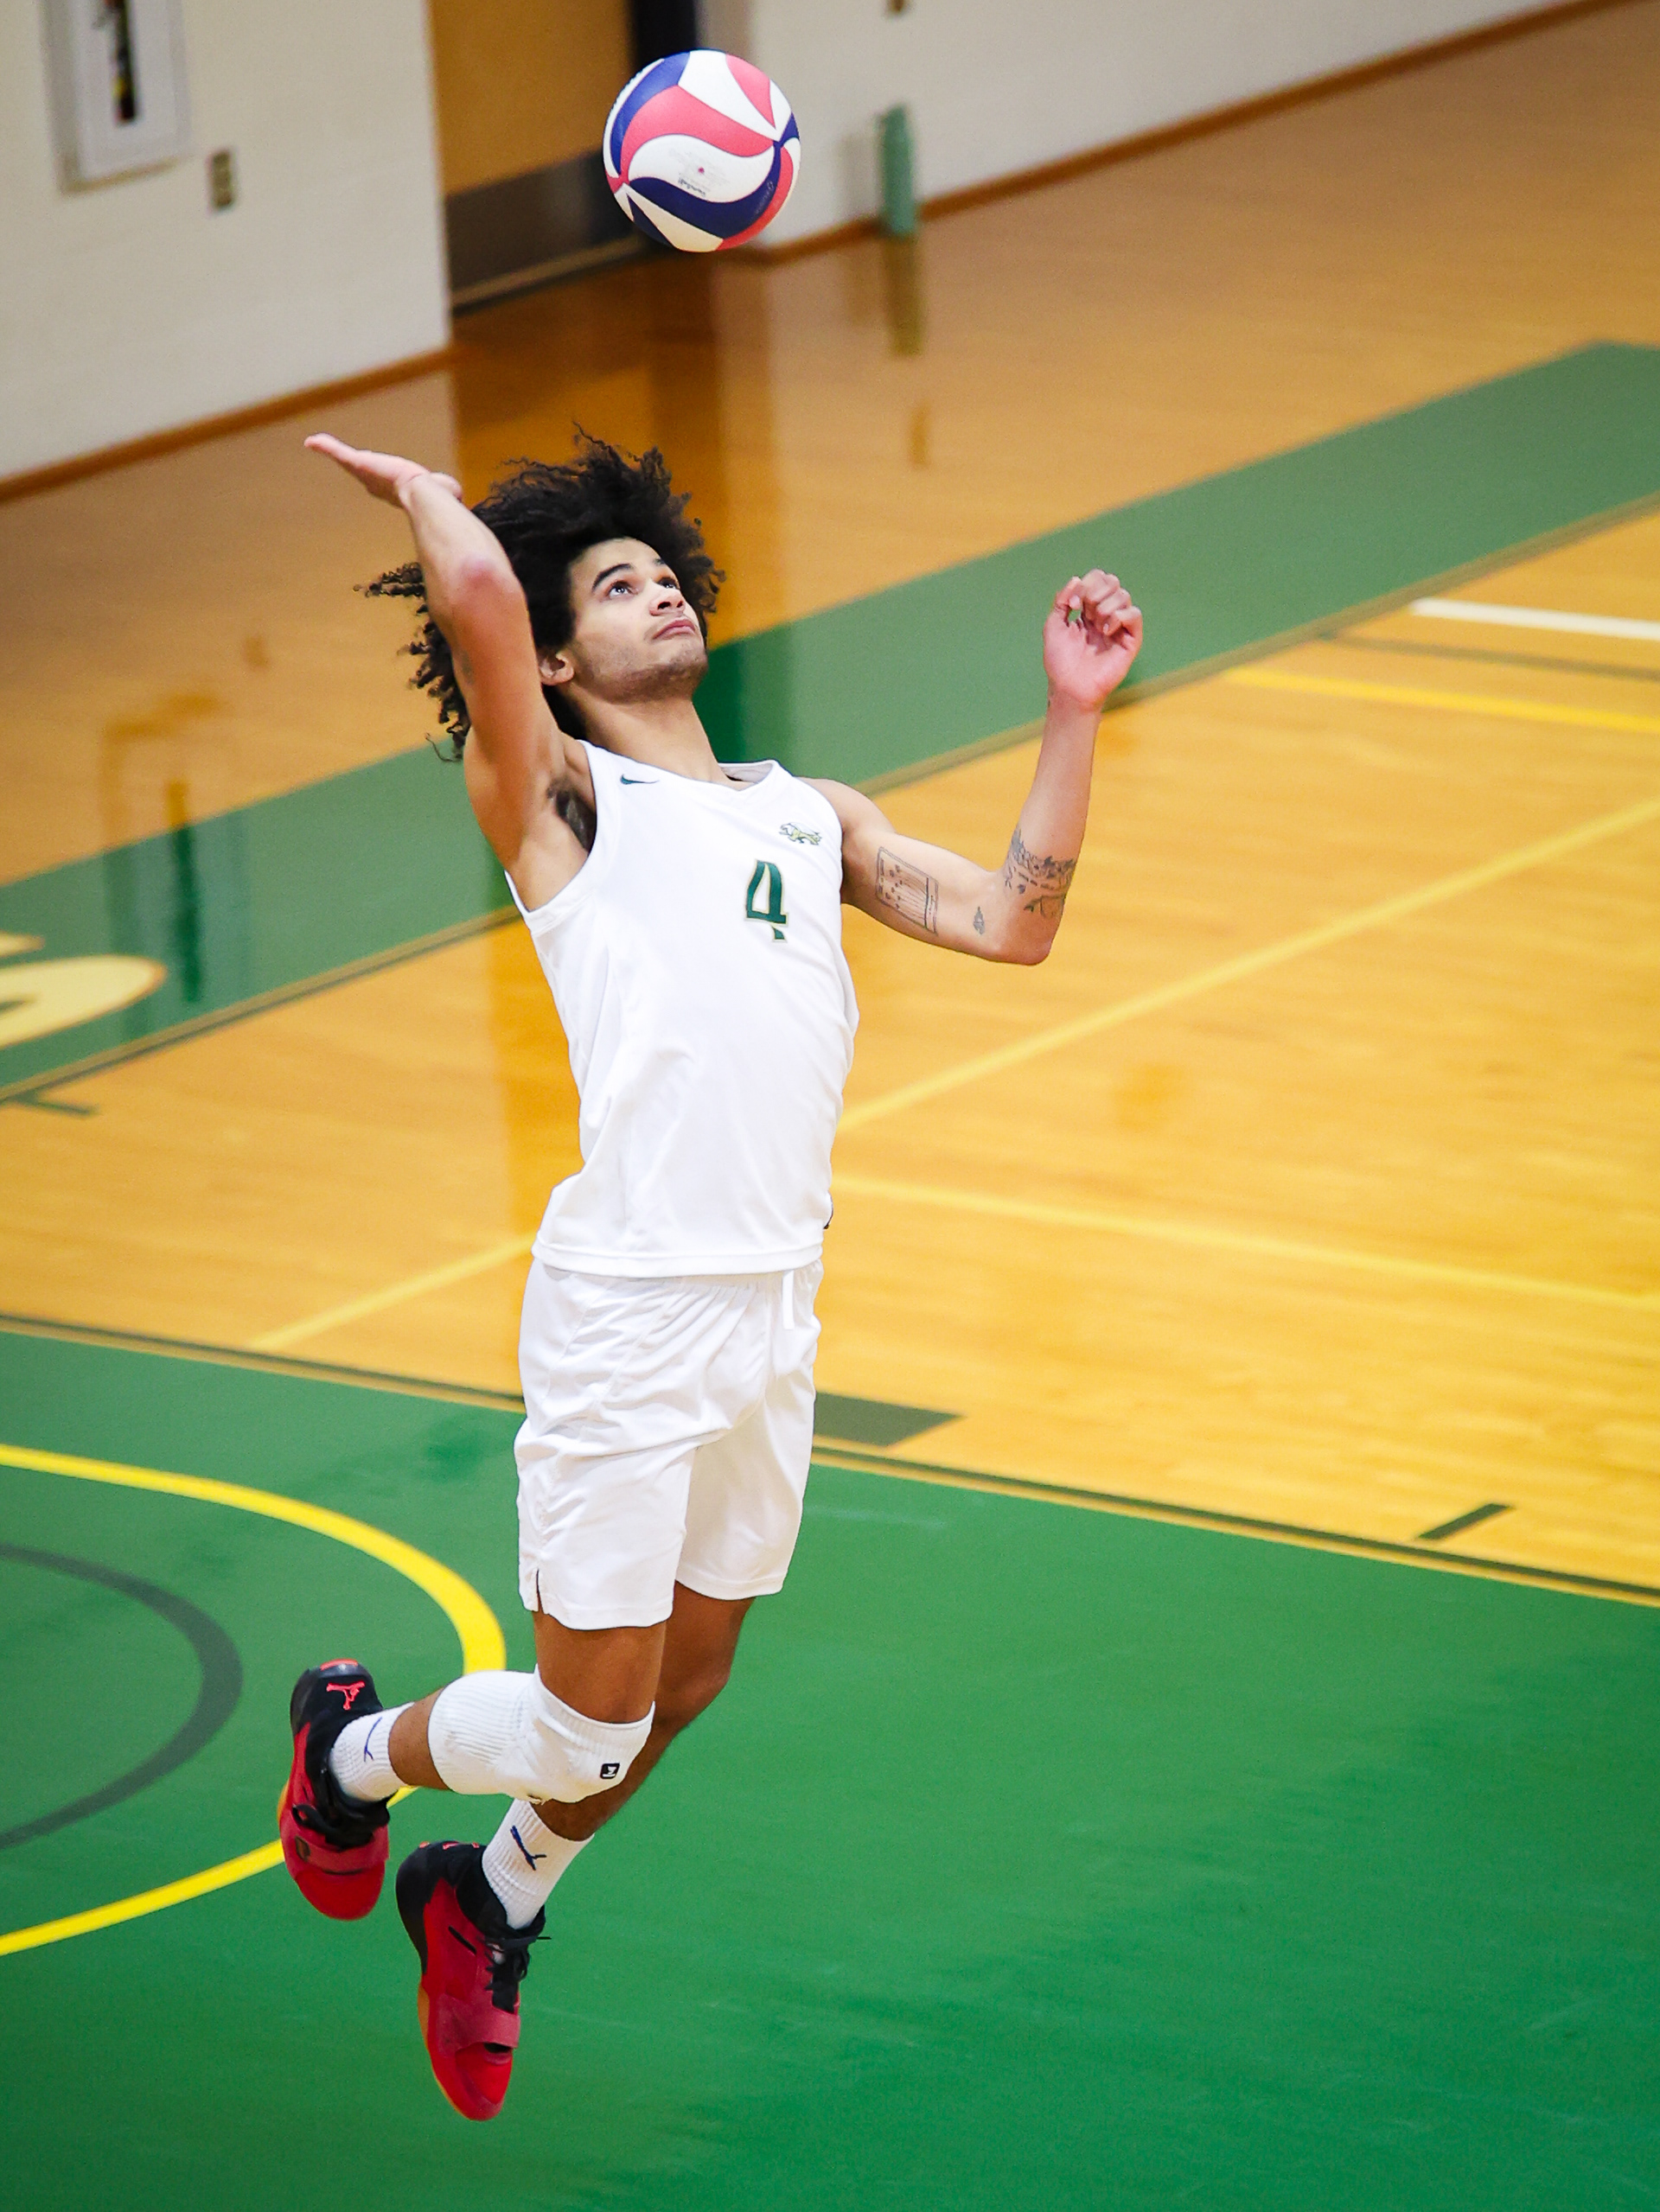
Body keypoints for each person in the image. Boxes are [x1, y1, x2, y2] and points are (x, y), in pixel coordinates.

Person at [281, 430, 1141, 2121]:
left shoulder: (805, 813)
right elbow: (469, 590)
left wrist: (1073, 712)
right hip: (630, 1310)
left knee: (687, 1685)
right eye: (609, 582)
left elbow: (1010, 923)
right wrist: (425, 499)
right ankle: (346, 1754)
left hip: (775, 1304)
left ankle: (491, 1892)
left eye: (659, 565)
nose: (657, 583)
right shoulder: (562, 806)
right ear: (549, 658)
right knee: (590, 1727)